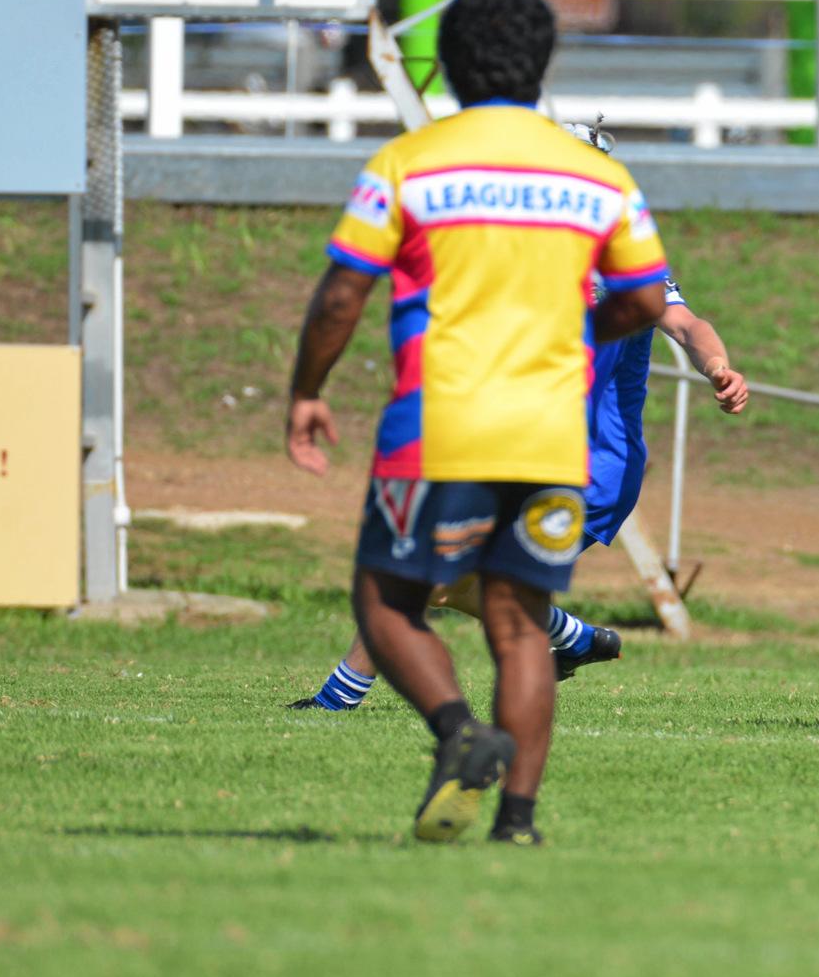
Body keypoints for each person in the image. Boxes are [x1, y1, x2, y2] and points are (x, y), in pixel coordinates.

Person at [285, 0, 670, 845]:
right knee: (520, 624)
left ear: (452, 63)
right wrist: (576, 332)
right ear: (543, 62)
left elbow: (343, 292)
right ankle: (519, 822)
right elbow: (648, 301)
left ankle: (459, 732)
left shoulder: (410, 161)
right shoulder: (597, 174)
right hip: (549, 432)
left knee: (386, 601)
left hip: (440, 426)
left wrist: (308, 389)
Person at [290, 127, 750, 713]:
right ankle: (571, 638)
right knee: (449, 575)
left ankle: (337, 701)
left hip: (592, 467)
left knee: (433, 571)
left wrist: (717, 366)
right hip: (516, 444)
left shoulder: (626, 260)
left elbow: (687, 324)